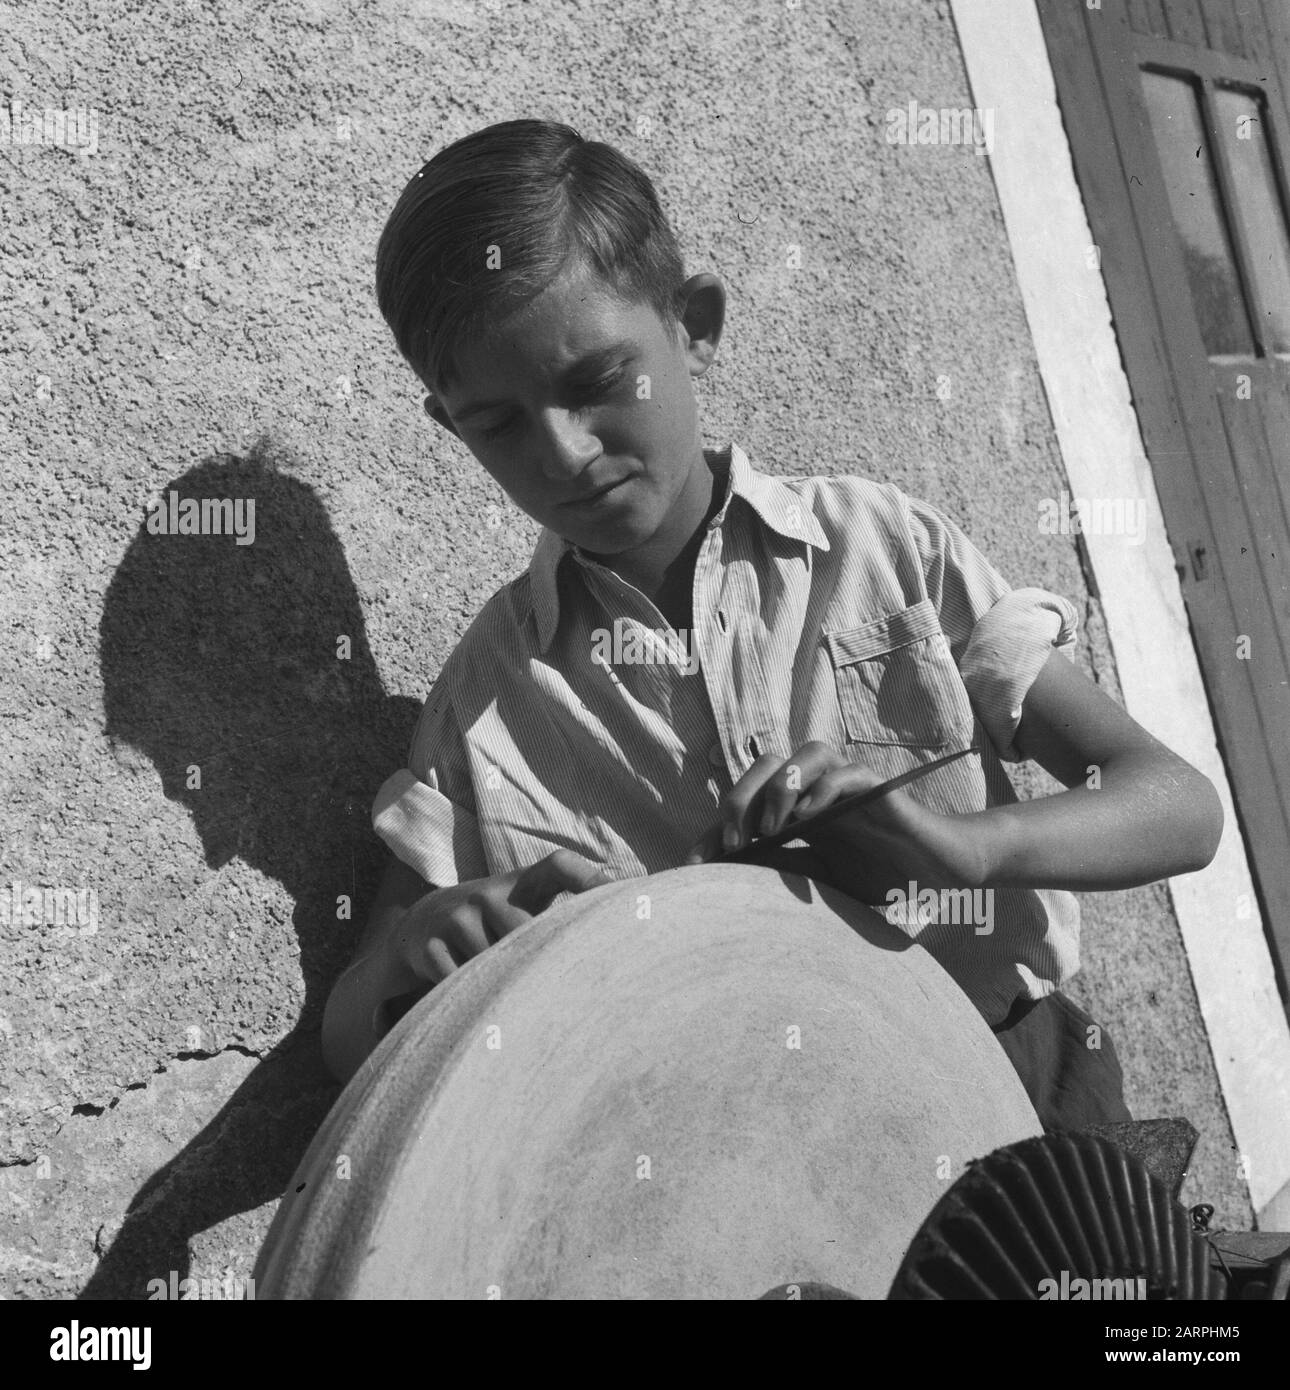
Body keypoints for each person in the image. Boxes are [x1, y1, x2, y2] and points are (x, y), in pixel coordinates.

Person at [321, 119, 1223, 1131]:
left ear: (693, 324)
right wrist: (420, 951)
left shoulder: (886, 549)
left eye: (596, 383)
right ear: (450, 427)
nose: (565, 452)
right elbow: (349, 1034)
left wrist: (968, 850)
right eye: (499, 423)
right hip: (743, 1179)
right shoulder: (487, 702)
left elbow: (1178, 807)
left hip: (1017, 1089)